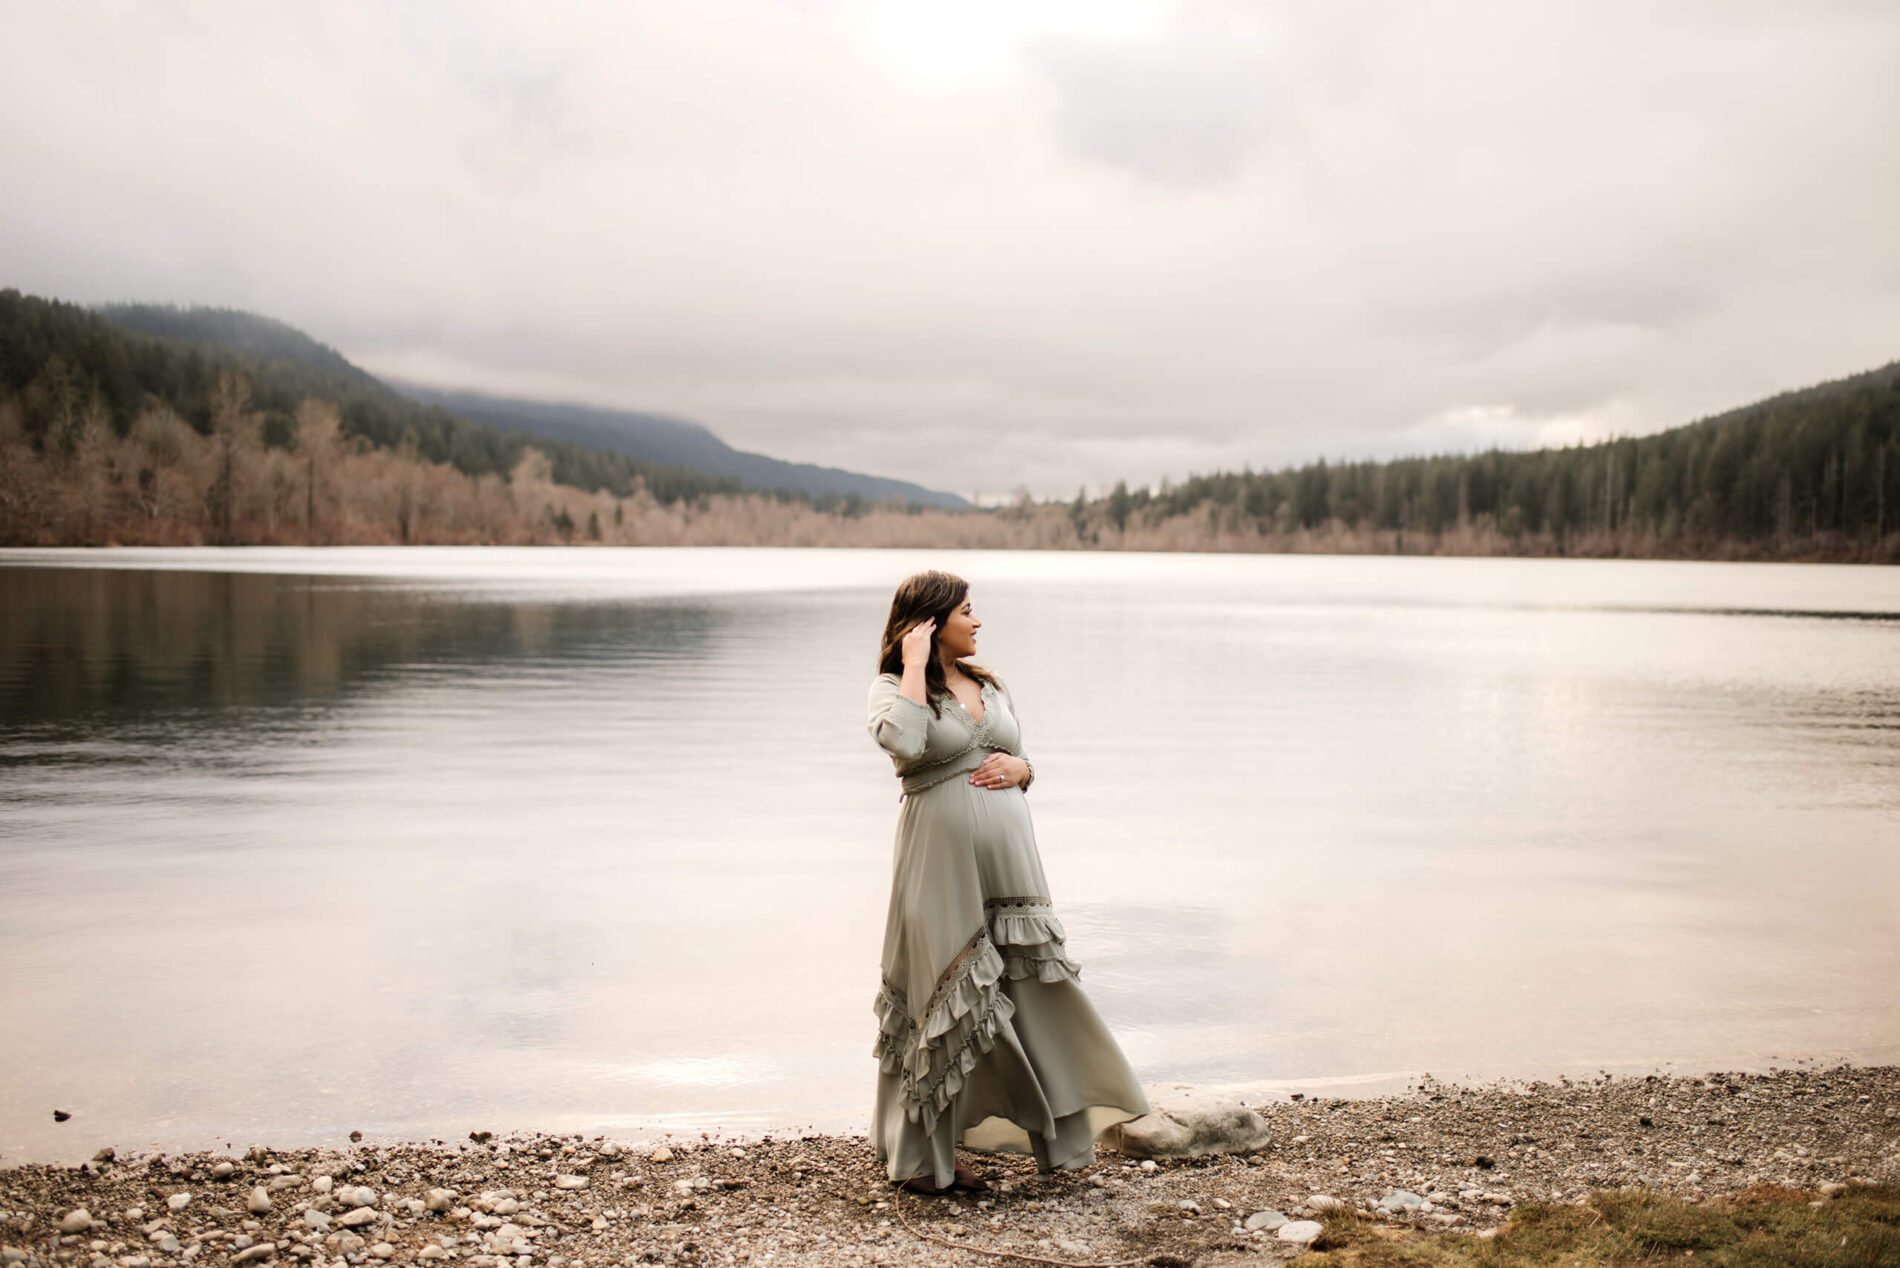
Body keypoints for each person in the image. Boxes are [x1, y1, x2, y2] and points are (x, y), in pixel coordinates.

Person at [865, 569, 1150, 1195]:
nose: (978, 621)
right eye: (967, 611)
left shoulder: (988, 683)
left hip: (1014, 871)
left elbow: (1019, 754)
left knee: (1034, 988)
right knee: (942, 993)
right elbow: (908, 746)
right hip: (939, 865)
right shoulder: (892, 690)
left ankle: (1065, 1141)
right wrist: (913, 664)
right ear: (931, 622)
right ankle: (921, 1160)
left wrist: (1025, 769)